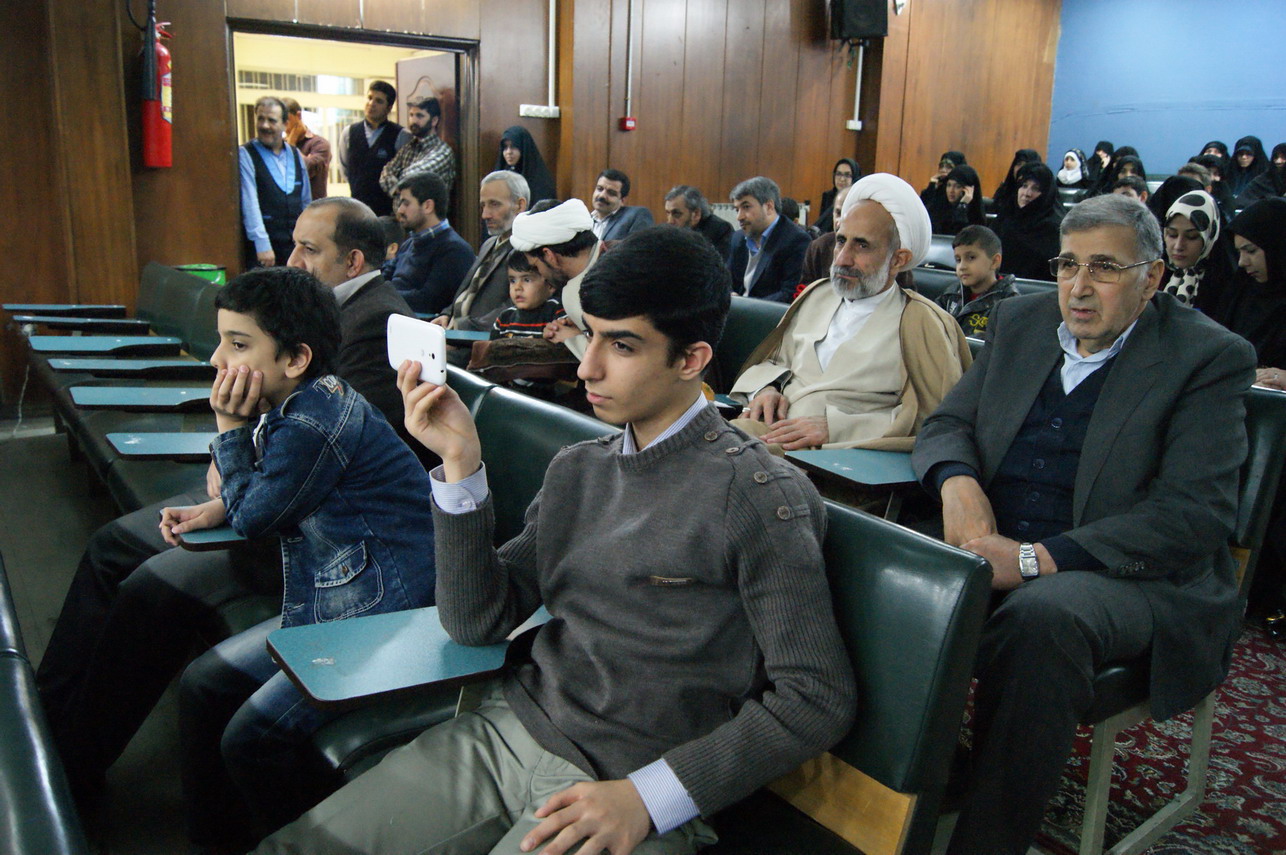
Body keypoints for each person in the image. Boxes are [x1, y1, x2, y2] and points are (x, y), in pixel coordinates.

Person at [253, 225, 856, 855]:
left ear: (691, 359)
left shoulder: (758, 495)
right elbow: (477, 621)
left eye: (621, 345)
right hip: (508, 733)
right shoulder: (580, 469)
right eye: (590, 334)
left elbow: (816, 697)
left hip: (633, 780)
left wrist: (649, 798)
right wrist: (460, 467)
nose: (588, 366)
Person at [36, 197, 420, 825]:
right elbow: (267, 475)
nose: (217, 360)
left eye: (309, 249)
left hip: (352, 579)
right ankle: (53, 736)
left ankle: (72, 768)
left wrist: (231, 438)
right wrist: (229, 488)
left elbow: (267, 498)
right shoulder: (304, 366)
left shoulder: (359, 346)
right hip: (309, 534)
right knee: (129, 569)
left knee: (166, 615)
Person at [911, 192, 1255, 855]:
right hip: (996, 538)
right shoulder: (1020, 321)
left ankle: (988, 839)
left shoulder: (1208, 357)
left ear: (1152, 278)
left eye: (1105, 267)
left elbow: (1193, 515)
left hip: (1129, 574)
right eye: (1068, 264)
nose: (1079, 285)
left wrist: (1035, 559)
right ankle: (894, 786)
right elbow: (948, 423)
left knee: (1044, 619)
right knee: (868, 557)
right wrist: (958, 483)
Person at [167, 266, 436, 850]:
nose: (217, 359)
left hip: (385, 614)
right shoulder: (304, 399)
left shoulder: (315, 419)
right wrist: (219, 507)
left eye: (238, 345)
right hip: (336, 598)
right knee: (203, 685)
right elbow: (272, 493)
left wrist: (228, 429)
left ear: (295, 359)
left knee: (252, 739)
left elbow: (256, 518)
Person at [729, 173, 970, 451]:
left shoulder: (921, 321)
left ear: (898, 259)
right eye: (841, 241)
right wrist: (766, 389)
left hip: (837, 457)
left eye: (862, 245)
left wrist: (836, 427)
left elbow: (936, 420)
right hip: (770, 431)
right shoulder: (817, 295)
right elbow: (774, 361)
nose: (842, 259)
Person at [434, 171, 531, 332]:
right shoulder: (489, 244)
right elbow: (468, 292)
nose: (485, 215)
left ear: (520, 205)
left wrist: (463, 327)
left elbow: (517, 306)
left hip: (481, 338)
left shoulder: (529, 248)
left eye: (494, 204)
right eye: (483, 206)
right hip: (454, 332)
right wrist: (447, 315)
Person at [511, 198, 601, 360]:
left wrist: (573, 340)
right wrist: (580, 330)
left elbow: (625, 351)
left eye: (536, 266)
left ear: (549, 256)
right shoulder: (578, 282)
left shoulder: (614, 275)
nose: (542, 275)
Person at [385, 172, 476, 314]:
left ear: (428, 206)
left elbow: (428, 302)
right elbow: (383, 281)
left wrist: (383, 297)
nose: (400, 210)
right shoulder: (408, 245)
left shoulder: (454, 250)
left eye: (406, 203)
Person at [239, 95, 312, 268]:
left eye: (271, 120)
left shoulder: (295, 154)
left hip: (294, 247)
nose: (265, 125)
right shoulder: (246, 154)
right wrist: (262, 244)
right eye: (260, 119)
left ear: (285, 124)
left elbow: (306, 202)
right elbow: (250, 203)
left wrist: (308, 242)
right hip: (264, 251)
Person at [728, 176, 812, 303]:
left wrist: (746, 306)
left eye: (746, 207)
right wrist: (729, 294)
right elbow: (725, 281)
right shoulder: (737, 238)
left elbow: (790, 293)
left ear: (769, 207)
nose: (739, 217)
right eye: (737, 209)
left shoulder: (796, 240)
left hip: (770, 314)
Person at [337, 81, 407, 216]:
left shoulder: (401, 135)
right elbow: (345, 170)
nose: (371, 104)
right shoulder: (349, 133)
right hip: (357, 210)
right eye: (369, 98)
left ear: (389, 108)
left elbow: (404, 174)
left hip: (388, 213)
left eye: (379, 101)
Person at [934, 225, 1018, 336]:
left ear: (994, 262)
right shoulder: (951, 295)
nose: (962, 266)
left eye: (971, 258)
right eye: (958, 260)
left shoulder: (1009, 303)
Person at [1160, 189, 1235, 311]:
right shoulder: (1157, 274)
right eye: (1172, 235)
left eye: (1191, 237)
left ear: (1210, 237)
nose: (1178, 246)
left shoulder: (1227, 286)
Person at [379, 96, 457, 205]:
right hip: (400, 214)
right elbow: (386, 173)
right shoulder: (408, 148)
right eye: (411, 115)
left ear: (434, 121)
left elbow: (410, 178)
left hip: (426, 215)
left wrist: (396, 179)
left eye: (419, 116)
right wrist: (397, 185)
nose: (413, 120)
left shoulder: (442, 151)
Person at [994, 162, 1063, 282]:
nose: (1027, 194)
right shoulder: (1005, 218)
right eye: (1024, 186)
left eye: (1035, 189)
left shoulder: (1053, 228)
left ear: (1046, 193)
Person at [491, 249, 564, 339]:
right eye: (512, 281)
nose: (517, 287)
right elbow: (493, 347)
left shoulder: (557, 311)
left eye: (527, 280)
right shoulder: (504, 319)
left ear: (550, 285)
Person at [664, 184, 734, 263]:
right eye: (668, 213)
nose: (670, 221)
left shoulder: (721, 230)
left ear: (696, 214)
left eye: (676, 214)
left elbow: (719, 266)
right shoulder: (670, 233)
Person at [799, 186, 850, 290]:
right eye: (838, 213)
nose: (839, 222)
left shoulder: (870, 249)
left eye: (847, 214)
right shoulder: (818, 246)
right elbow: (805, 290)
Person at [281, 96, 331, 201]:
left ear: (298, 115)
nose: (283, 126)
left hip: (313, 207)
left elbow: (307, 170)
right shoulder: (278, 145)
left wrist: (291, 146)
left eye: (286, 120)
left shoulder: (319, 144)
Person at [495, 124, 556, 205]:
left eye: (514, 147)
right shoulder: (500, 176)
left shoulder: (541, 182)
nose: (509, 152)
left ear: (523, 148)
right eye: (505, 147)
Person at [588, 168, 654, 240]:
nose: (602, 195)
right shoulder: (584, 221)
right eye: (599, 189)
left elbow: (640, 245)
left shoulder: (636, 215)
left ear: (622, 200)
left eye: (611, 193)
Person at [926, 164, 984, 236]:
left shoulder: (975, 214)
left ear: (968, 190)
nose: (951, 191)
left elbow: (960, 236)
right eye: (949, 185)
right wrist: (931, 187)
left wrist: (962, 206)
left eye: (957, 186)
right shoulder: (939, 208)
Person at [813, 156, 861, 233]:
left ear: (855, 177)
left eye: (847, 175)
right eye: (838, 174)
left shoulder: (858, 200)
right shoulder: (828, 196)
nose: (842, 179)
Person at [992, 149, 1042, 218]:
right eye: (1019, 164)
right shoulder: (1004, 189)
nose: (1021, 168)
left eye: (1026, 164)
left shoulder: (1040, 194)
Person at [1236, 141, 1286, 207]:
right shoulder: (1263, 180)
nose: (1278, 161)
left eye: (1283, 157)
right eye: (1275, 157)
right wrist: (1267, 203)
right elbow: (1241, 201)